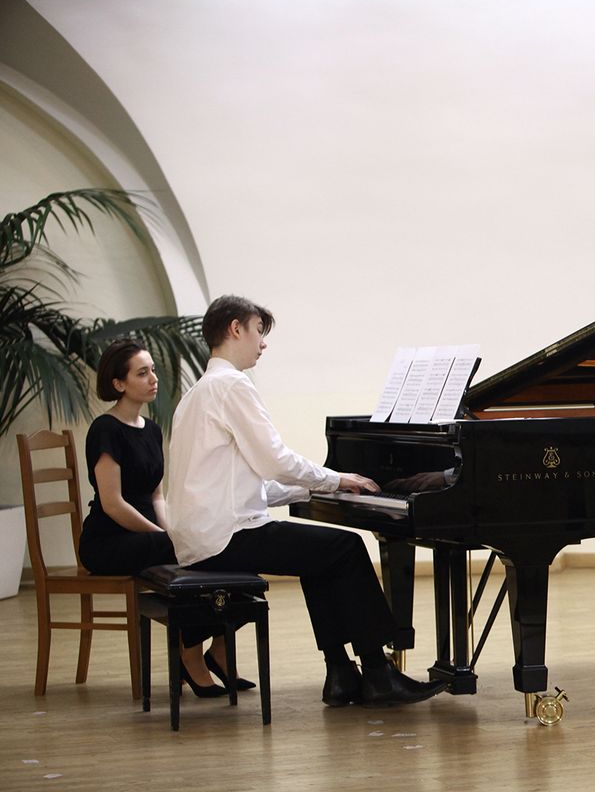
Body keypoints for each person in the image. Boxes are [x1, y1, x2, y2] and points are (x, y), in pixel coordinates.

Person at [166, 295, 446, 707]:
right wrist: (335, 478)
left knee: (319, 555)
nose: (263, 343)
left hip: (201, 536)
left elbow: (243, 485)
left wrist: (317, 488)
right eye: (258, 331)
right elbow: (275, 461)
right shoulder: (232, 385)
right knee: (346, 547)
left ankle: (341, 674)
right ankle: (378, 672)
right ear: (235, 329)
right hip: (226, 536)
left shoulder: (196, 394)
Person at [79, 339, 242, 698]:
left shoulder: (152, 430)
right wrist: (166, 538)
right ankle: (191, 654)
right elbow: (113, 504)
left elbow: (156, 496)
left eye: (152, 370)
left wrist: (175, 533)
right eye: (142, 373)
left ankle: (217, 648)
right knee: (196, 550)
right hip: (107, 541)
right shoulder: (105, 429)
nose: (154, 378)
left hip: (145, 537)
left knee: (215, 545)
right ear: (119, 384)